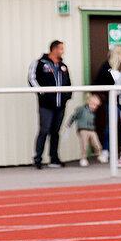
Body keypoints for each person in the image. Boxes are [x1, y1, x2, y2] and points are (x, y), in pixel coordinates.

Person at [30, 40, 71, 168]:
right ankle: (38, 159)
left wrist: (66, 96)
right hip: (46, 105)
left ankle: (54, 158)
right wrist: (43, 94)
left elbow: (68, 83)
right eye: (61, 49)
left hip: (60, 105)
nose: (63, 51)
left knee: (55, 131)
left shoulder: (63, 66)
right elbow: (32, 79)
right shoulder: (40, 63)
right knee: (44, 130)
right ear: (54, 49)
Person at [68, 93, 104, 165]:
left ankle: (100, 154)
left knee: (96, 143)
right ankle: (83, 158)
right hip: (83, 129)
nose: (94, 107)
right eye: (93, 105)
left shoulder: (93, 112)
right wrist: (70, 123)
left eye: (96, 106)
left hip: (91, 129)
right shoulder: (81, 109)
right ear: (88, 102)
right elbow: (74, 116)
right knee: (84, 144)